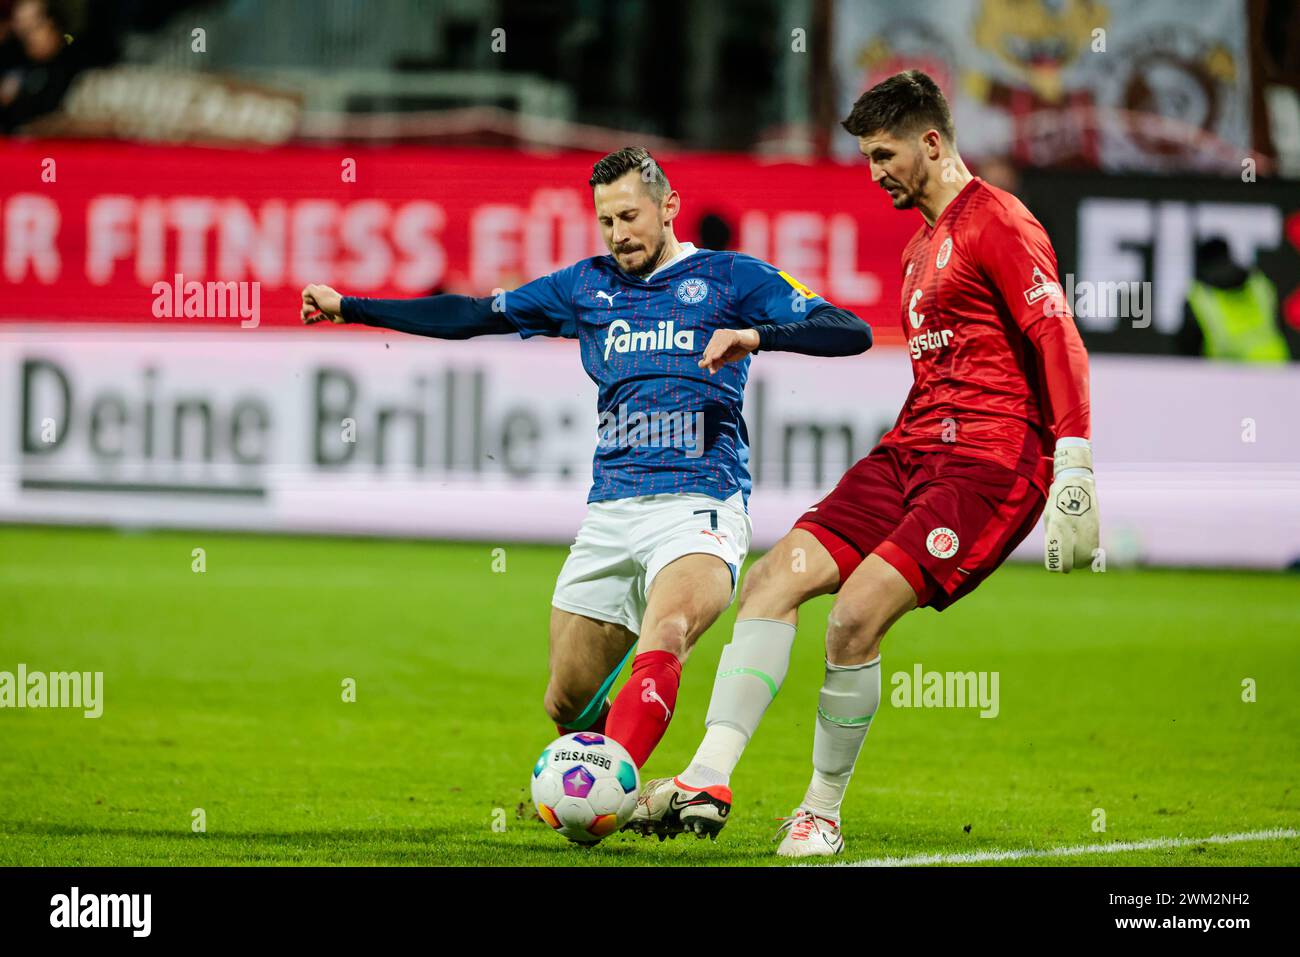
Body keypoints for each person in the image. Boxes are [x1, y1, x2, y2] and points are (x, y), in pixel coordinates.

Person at [629, 71, 1098, 856]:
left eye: (885, 154)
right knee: (774, 577)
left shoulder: (999, 222)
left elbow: (1058, 336)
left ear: (933, 142)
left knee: (852, 619)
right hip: (911, 450)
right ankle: (706, 776)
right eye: (866, 156)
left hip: (989, 463)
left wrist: (1075, 462)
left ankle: (820, 812)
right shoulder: (920, 248)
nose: (874, 171)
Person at [301, 147, 872, 774]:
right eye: (606, 221)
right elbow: (473, 315)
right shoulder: (584, 287)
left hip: (700, 505)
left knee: (669, 632)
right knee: (567, 700)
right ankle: (603, 772)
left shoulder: (733, 278)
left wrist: (754, 335)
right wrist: (351, 307)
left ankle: (613, 786)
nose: (619, 234)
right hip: (611, 513)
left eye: (630, 216)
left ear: (668, 207)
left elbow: (848, 330)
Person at [1178, 237, 1289, 363]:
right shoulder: (1259, 283)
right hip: (1275, 368)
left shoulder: (1199, 297)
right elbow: (1280, 325)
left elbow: (1187, 348)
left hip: (1227, 375)